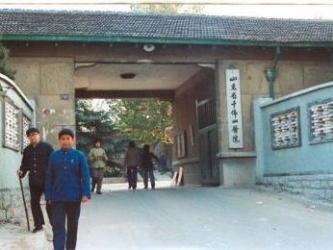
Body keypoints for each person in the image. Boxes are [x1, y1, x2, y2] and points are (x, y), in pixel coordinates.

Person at [45, 128, 91, 250]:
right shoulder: (53, 156)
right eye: (63, 139)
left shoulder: (79, 156)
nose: (65, 141)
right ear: (59, 140)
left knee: (72, 227)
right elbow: (49, 176)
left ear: (72, 140)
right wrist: (48, 196)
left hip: (74, 197)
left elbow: (85, 176)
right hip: (57, 198)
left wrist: (86, 193)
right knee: (58, 226)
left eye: (68, 139)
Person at [17, 127, 53, 233]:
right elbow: (25, 165)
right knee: (34, 202)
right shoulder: (27, 150)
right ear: (28, 137)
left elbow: (53, 163)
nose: (33, 136)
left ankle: (54, 224)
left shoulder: (47, 147)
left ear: (39, 135)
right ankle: (38, 224)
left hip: (47, 180)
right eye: (30, 135)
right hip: (34, 181)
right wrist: (21, 171)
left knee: (50, 203)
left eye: (35, 134)